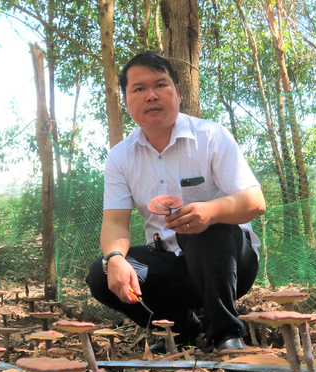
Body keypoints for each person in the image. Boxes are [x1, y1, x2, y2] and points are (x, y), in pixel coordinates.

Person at [85, 51, 266, 353]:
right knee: (101, 273)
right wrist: (115, 258)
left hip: (228, 262)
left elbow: (255, 201)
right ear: (126, 102)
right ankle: (182, 328)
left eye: (161, 85)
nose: (151, 95)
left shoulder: (211, 136)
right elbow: (115, 222)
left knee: (203, 228)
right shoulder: (120, 157)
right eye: (139, 89)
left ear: (178, 93)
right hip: (169, 265)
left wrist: (211, 210)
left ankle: (225, 335)